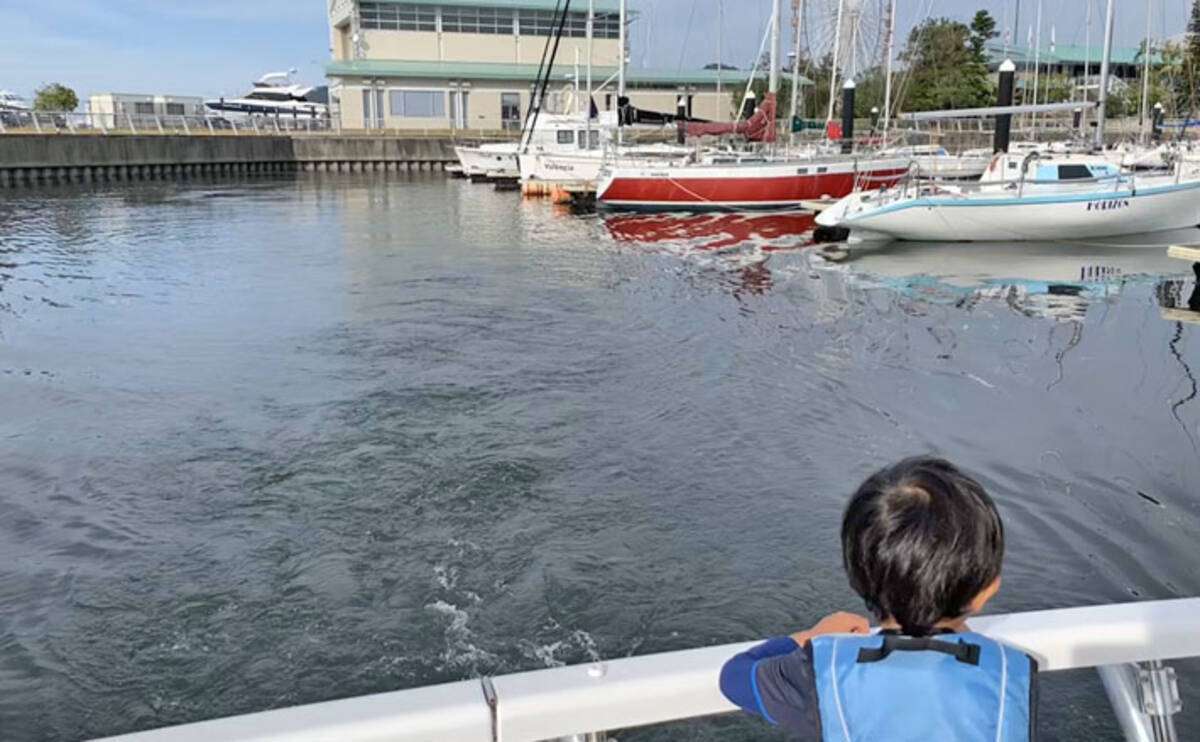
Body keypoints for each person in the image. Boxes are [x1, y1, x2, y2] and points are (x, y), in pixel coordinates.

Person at [719, 456, 1038, 741]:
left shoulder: (822, 671)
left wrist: (809, 638)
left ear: (857, 576)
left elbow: (734, 677)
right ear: (987, 591)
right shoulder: (1011, 674)